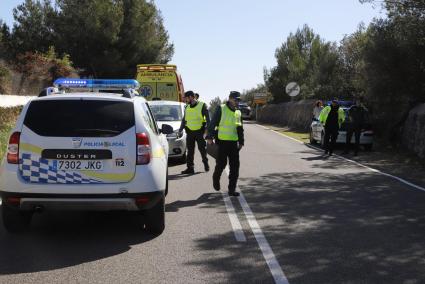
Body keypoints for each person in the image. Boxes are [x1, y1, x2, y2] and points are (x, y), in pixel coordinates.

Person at [206, 91, 244, 197]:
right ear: (230, 99)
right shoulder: (221, 108)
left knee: (235, 167)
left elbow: (240, 128)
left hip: (233, 144)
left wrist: (241, 141)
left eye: (238, 100)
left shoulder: (238, 112)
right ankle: (216, 177)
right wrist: (209, 136)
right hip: (221, 142)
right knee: (221, 164)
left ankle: (231, 190)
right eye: (236, 99)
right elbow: (213, 123)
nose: (237, 102)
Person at [179, 90, 210, 174]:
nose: (185, 100)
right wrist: (180, 129)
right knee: (190, 152)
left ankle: (205, 162)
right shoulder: (187, 107)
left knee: (202, 149)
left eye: (186, 98)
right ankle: (190, 168)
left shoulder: (202, 105)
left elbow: (208, 119)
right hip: (189, 132)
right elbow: (184, 119)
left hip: (199, 132)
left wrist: (208, 130)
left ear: (191, 97)